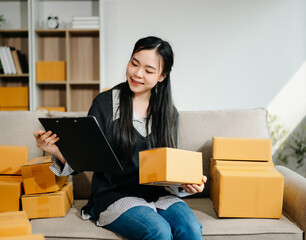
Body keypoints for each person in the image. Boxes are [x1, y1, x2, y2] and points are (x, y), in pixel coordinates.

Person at [33, 36, 207, 240]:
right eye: (134, 63)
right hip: (114, 194)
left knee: (191, 229)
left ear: (162, 76)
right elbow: (85, 157)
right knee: (158, 231)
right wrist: (56, 151)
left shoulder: (168, 113)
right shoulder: (104, 103)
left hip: (157, 194)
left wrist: (186, 184)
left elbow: (168, 166)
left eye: (149, 70)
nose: (137, 73)